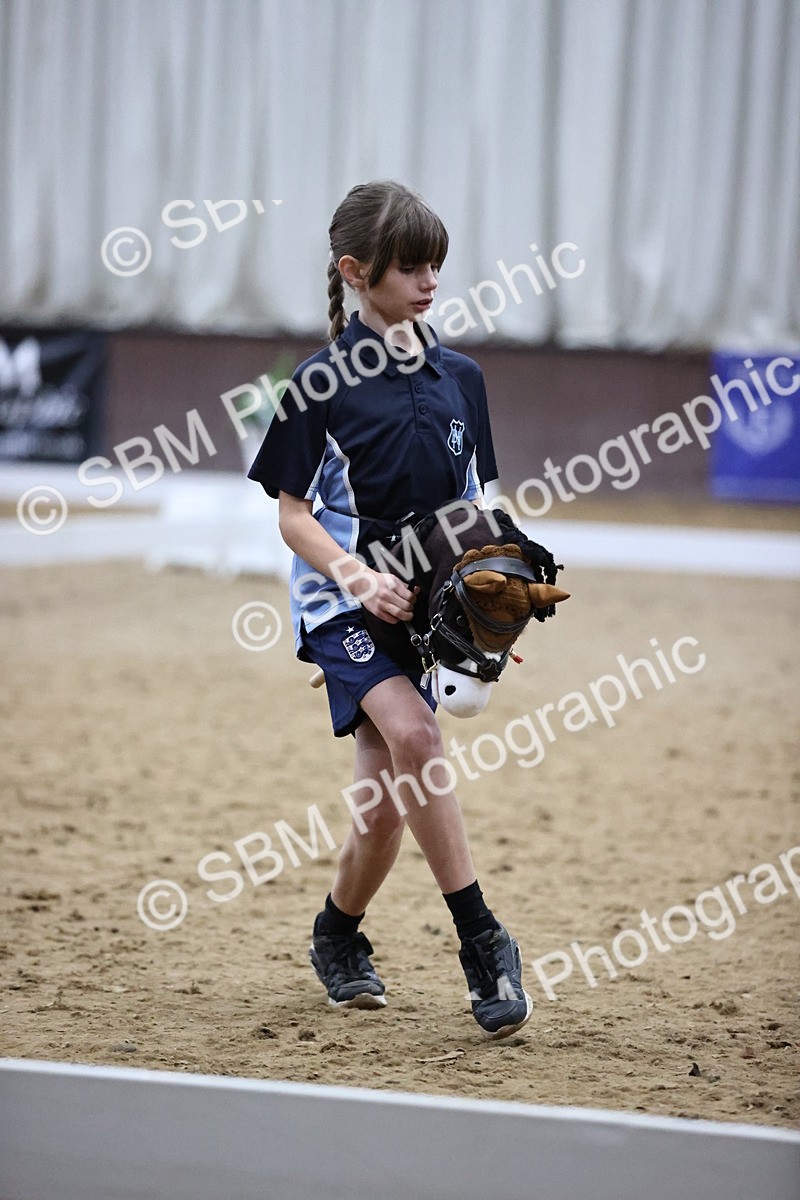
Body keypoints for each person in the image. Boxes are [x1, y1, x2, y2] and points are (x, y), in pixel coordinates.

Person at [248, 180, 532, 1038]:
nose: (429, 280)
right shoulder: (319, 383)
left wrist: (498, 597)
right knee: (417, 738)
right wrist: (358, 579)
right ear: (354, 271)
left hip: (432, 609)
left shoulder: (463, 378)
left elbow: (477, 503)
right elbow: (293, 516)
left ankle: (337, 936)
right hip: (344, 603)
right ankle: (484, 942)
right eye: (409, 266)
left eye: (435, 264)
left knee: (380, 812)